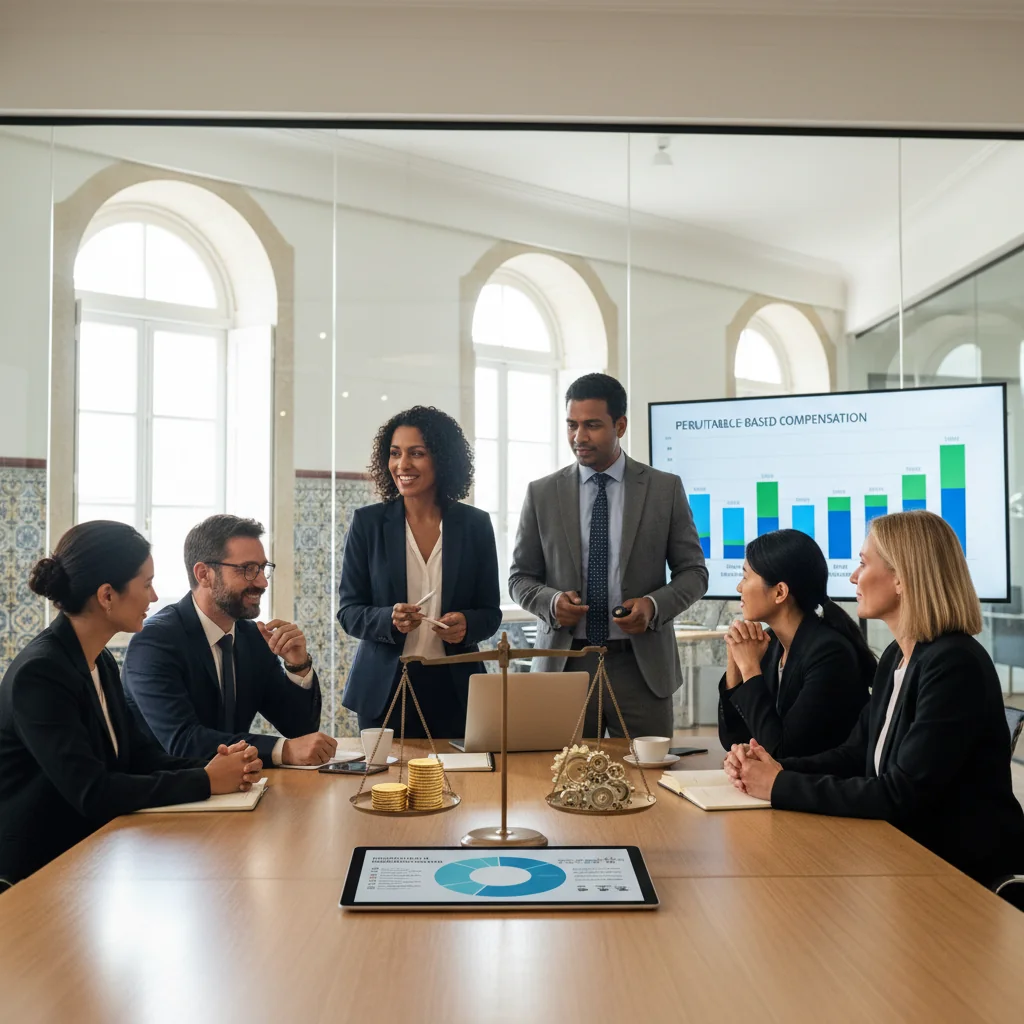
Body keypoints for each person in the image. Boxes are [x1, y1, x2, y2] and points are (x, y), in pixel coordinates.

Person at [726, 510, 1024, 885]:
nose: (852, 577)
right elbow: (855, 754)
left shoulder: (953, 665)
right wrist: (772, 768)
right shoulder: (899, 657)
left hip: (953, 874)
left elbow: (901, 794)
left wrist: (778, 784)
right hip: (903, 856)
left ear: (901, 578)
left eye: (864, 563)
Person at [0, 522, 261, 886]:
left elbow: (138, 757)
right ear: (107, 595)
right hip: (36, 874)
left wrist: (221, 764)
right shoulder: (41, 674)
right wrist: (204, 780)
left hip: (91, 857)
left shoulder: (101, 660)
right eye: (146, 584)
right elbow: (93, 792)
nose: (154, 598)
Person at [509, 372, 708, 739]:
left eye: (592, 425)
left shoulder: (664, 489)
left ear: (620, 425)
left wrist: (652, 605)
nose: (578, 437)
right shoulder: (542, 494)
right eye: (572, 425)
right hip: (564, 666)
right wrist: (552, 602)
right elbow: (519, 578)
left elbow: (694, 573)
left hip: (641, 667)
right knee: (560, 783)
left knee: (649, 785)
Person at [338, 405, 501, 738]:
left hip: (456, 689)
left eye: (417, 453)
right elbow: (348, 611)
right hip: (384, 690)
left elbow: (490, 612)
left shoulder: (476, 526)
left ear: (442, 459)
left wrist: (467, 625)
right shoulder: (367, 524)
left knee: (460, 787)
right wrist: (389, 619)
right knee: (385, 789)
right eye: (395, 453)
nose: (402, 465)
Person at [123, 515, 335, 766]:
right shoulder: (154, 642)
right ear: (204, 574)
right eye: (247, 569)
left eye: (263, 568)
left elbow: (300, 731)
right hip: (170, 794)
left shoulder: (253, 639)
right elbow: (183, 741)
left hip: (237, 790)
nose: (262, 582)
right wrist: (282, 750)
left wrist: (298, 666)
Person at [718, 529, 874, 758]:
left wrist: (750, 668)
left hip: (824, 788)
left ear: (780, 592)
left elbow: (782, 751)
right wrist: (736, 665)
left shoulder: (829, 653)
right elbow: (734, 739)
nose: (739, 588)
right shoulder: (770, 645)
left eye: (745, 576)